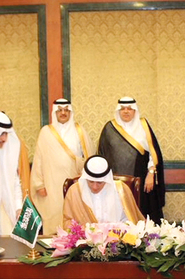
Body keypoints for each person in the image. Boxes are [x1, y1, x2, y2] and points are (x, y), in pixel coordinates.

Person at [31, 98, 95, 235]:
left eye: (66, 110)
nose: (63, 113)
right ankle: (52, 244)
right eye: (60, 110)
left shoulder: (79, 131)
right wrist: (39, 184)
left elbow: (88, 155)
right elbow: (38, 159)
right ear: (55, 112)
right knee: (54, 214)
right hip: (51, 183)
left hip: (74, 181)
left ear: (71, 112)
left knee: (74, 213)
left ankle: (74, 242)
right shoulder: (46, 132)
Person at [97, 97, 165, 221]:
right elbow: (102, 155)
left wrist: (151, 173)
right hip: (116, 182)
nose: (126, 111)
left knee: (142, 213)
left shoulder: (143, 126)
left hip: (141, 180)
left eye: (129, 108)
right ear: (118, 111)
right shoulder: (109, 128)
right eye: (123, 109)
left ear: (135, 111)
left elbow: (153, 154)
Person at [62, 155, 143, 228]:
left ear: (107, 180)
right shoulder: (74, 192)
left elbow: (131, 221)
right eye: (91, 181)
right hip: (85, 238)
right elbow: (67, 222)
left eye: (99, 182)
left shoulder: (121, 190)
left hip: (118, 237)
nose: (95, 187)